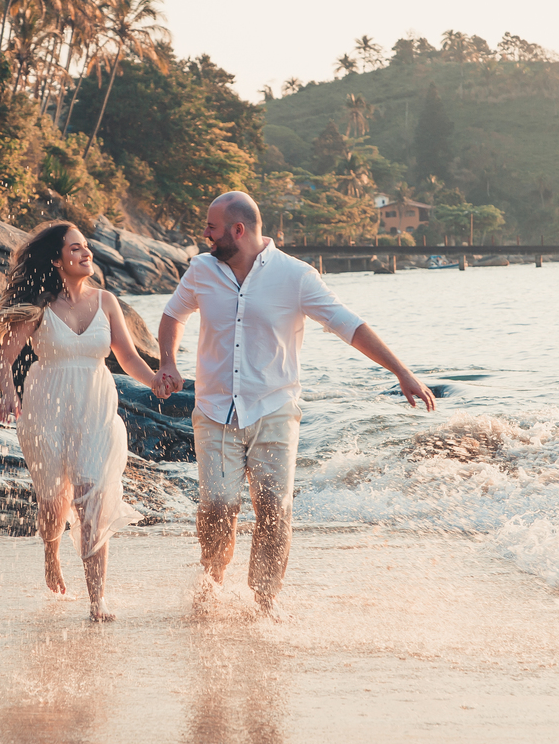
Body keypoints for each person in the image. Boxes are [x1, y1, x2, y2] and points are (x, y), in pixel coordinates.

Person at [152, 191, 435, 617]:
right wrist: (168, 362)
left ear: (238, 231)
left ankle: (265, 600)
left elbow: (349, 325)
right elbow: (174, 316)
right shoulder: (201, 271)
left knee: (273, 507)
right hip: (214, 411)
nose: (204, 234)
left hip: (274, 410)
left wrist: (401, 371)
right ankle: (211, 583)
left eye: (211, 227)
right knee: (216, 506)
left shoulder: (296, 276)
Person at [0, 221, 159, 622]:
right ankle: (51, 552)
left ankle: (97, 602)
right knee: (53, 503)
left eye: (86, 247)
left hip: (95, 408)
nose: (86, 253)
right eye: (75, 248)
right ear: (56, 259)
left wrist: (156, 381)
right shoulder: (39, 305)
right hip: (46, 408)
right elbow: (4, 359)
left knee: (92, 496)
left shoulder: (107, 301)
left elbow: (128, 359)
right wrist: (8, 393)